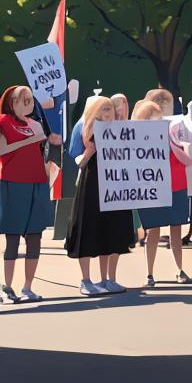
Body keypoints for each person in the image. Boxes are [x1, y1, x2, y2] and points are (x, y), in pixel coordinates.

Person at [64, 95, 134, 296]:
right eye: (102, 109)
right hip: (92, 186)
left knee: (112, 231)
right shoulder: (87, 129)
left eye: (109, 108)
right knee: (87, 230)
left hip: (116, 186)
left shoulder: (122, 130)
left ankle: (108, 278)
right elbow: (79, 160)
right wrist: (88, 152)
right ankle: (86, 280)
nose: (107, 112)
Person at [0, 86, 55, 302]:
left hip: (37, 182)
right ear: (11, 101)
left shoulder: (36, 124)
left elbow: (41, 151)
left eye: (30, 100)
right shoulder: (3, 121)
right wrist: (30, 140)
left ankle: (28, 287)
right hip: (13, 183)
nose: (27, 104)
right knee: (12, 238)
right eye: (22, 100)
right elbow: (2, 151)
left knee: (35, 237)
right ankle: (7, 287)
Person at [133, 100, 192, 287]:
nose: (157, 119)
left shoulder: (173, 131)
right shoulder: (136, 138)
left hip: (177, 186)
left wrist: (172, 142)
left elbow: (188, 160)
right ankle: (149, 274)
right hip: (153, 189)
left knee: (176, 230)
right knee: (153, 231)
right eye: (152, 116)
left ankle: (179, 270)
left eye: (158, 115)